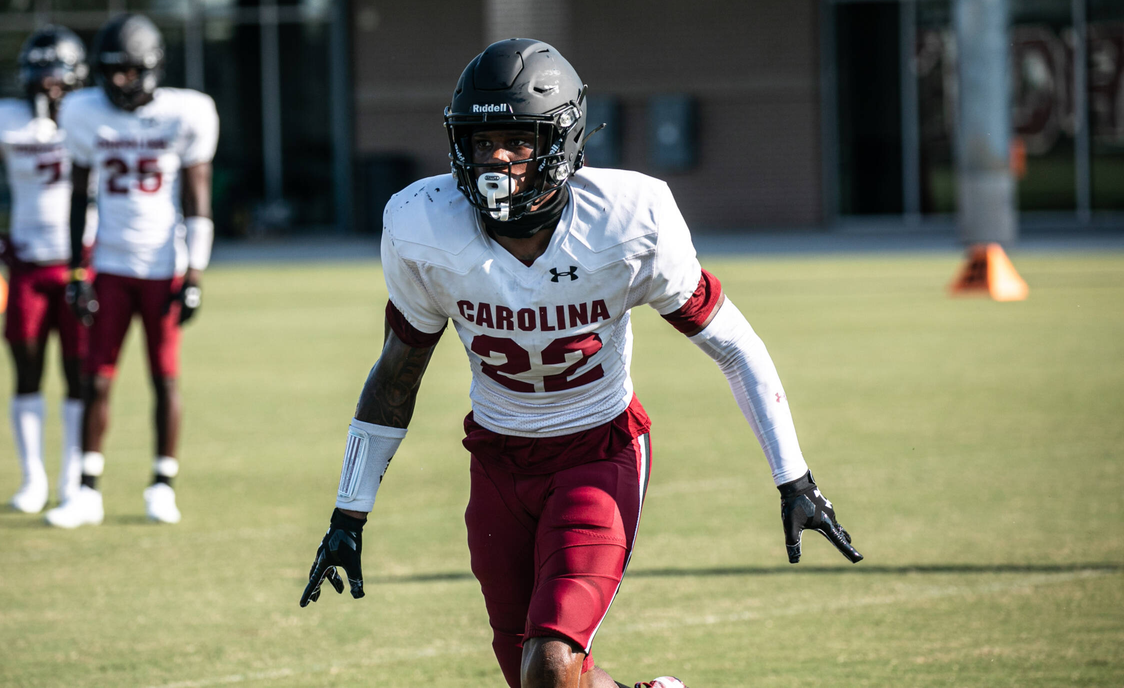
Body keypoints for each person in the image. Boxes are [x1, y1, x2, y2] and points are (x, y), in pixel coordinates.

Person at [300, 39, 862, 688]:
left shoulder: (628, 220)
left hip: (599, 453)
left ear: (562, 142)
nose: (498, 161)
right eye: (483, 142)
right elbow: (398, 371)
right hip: (498, 462)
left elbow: (732, 344)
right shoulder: (423, 223)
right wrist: (349, 510)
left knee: (551, 661)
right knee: (536, 674)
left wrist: (794, 478)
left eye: (518, 140)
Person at [45, 13, 218, 529]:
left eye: (128, 70)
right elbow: (78, 197)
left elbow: (197, 197)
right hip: (111, 266)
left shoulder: (187, 112)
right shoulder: (82, 111)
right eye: (111, 70)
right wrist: (77, 272)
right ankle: (86, 490)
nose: (118, 81)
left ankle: (162, 484)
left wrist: (194, 275)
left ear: (152, 68)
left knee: (164, 377)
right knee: (95, 378)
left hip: (163, 266)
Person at [0, 25, 94, 514]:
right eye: (40, 75)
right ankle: (33, 478)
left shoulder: (92, 117)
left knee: (79, 374)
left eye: (58, 76)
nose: (49, 85)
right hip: (29, 264)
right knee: (27, 368)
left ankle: (73, 480)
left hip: (81, 263)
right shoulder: (5, 120)